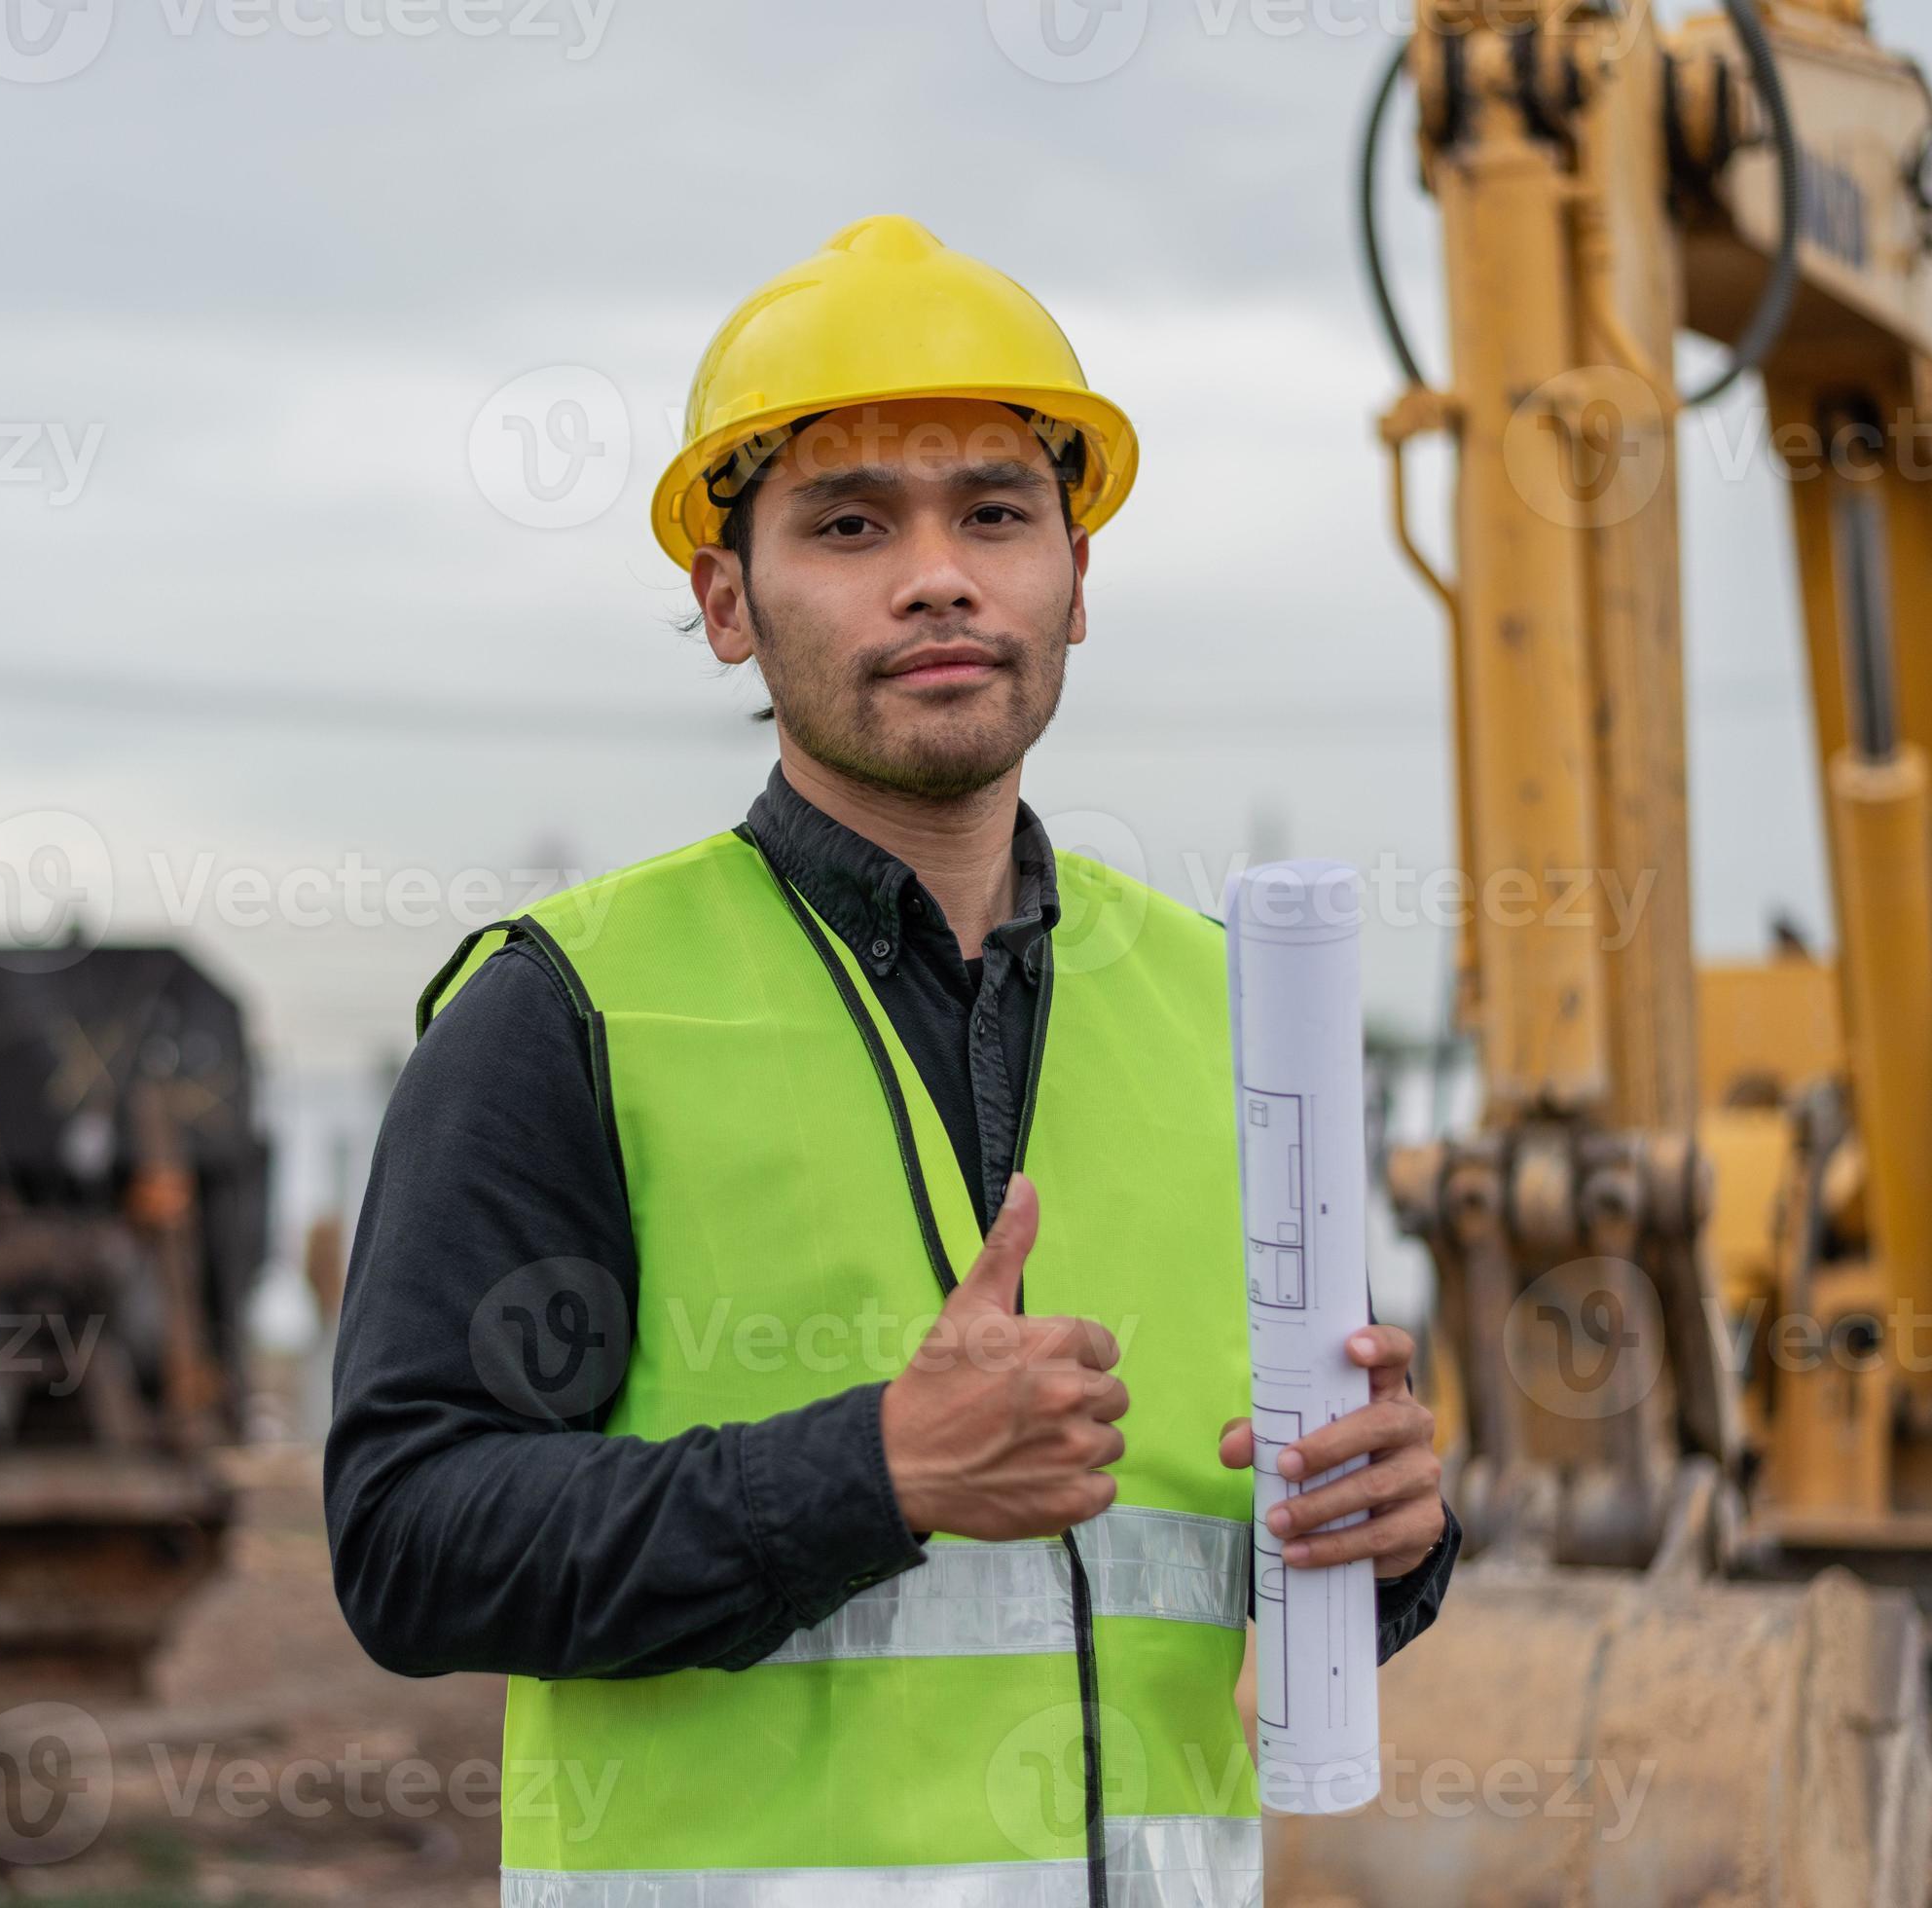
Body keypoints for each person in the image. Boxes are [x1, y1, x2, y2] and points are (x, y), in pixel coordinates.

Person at [327, 213, 1458, 1907]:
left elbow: (1235, 1544)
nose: (938, 572)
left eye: (994, 513)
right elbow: (411, 1539)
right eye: (849, 523)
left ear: (1079, 582)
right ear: (724, 601)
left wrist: (1401, 1542)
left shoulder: (1233, 1017)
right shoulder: (567, 1009)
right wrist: (872, 1474)